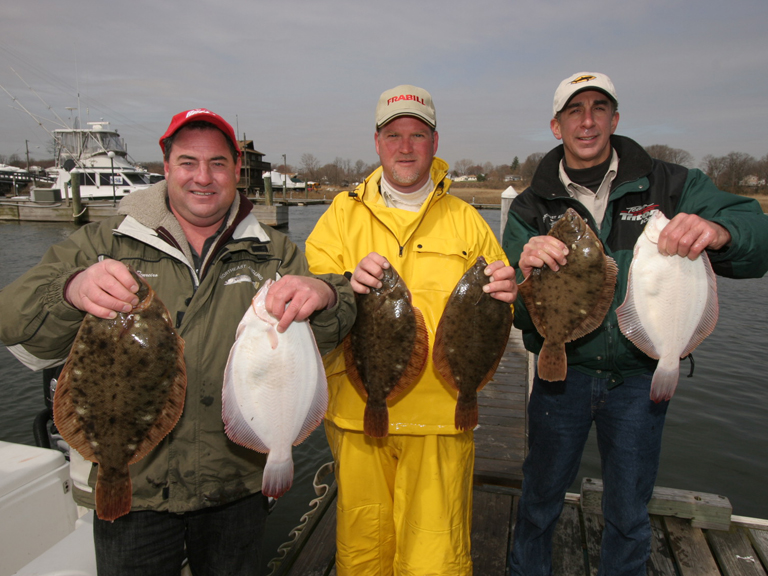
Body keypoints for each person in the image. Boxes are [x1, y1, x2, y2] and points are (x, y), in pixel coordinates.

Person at [0, 108, 356, 576]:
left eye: (218, 164)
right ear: (166, 169)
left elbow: (337, 325)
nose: (202, 178)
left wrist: (327, 293)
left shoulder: (275, 252)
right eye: (188, 162)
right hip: (135, 491)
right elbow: (13, 318)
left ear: (236, 171)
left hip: (236, 490)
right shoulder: (103, 242)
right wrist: (71, 289)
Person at [502, 72, 768, 575]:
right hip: (564, 377)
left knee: (628, 510)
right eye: (574, 111)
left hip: (641, 377)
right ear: (556, 126)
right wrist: (522, 270)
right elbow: (511, 306)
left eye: (599, 107)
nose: (587, 120)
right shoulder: (530, 205)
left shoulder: (673, 184)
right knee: (539, 500)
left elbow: (758, 240)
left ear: (615, 118)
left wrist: (719, 230)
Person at [305, 84, 518, 576]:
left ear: (435, 142)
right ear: (376, 143)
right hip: (360, 417)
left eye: (417, 135)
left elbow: (494, 320)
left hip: (443, 419)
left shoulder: (468, 222)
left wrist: (509, 289)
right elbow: (313, 304)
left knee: (436, 559)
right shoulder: (339, 217)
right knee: (363, 554)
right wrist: (338, 285)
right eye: (394, 135)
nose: (405, 147)